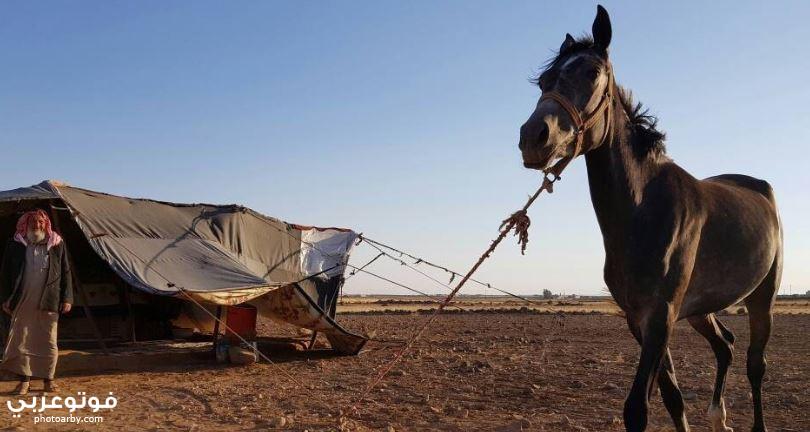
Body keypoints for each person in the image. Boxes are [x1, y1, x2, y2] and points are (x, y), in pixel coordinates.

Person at [0, 209, 73, 395]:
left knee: (48, 341)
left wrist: (67, 298)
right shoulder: (15, 244)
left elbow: (65, 272)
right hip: (22, 301)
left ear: (46, 224)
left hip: (49, 301)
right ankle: (24, 382)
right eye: (33, 221)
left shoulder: (57, 244)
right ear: (25, 224)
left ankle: (49, 380)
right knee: (22, 341)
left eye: (40, 222)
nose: (37, 225)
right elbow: (5, 275)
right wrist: (5, 299)